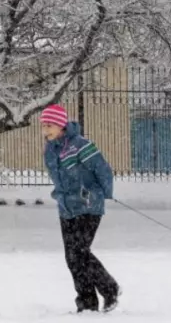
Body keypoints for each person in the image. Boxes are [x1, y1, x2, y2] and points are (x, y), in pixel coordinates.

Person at [41, 104, 120, 313]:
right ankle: (87, 302)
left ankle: (109, 288)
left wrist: (105, 192)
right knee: (72, 257)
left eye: (50, 125)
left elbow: (102, 169)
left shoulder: (80, 145)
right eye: (44, 126)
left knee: (79, 251)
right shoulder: (50, 149)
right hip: (66, 207)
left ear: (61, 125)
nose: (46, 130)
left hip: (88, 205)